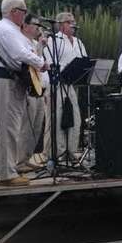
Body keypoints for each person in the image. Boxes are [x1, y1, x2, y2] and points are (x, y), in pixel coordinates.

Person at [0, 0, 48, 186]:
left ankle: (7, 169)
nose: (25, 15)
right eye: (24, 11)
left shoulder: (9, 30)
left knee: (8, 129)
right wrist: (41, 63)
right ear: (14, 12)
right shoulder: (6, 29)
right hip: (5, 82)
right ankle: (6, 174)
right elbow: (20, 54)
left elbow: (23, 52)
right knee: (7, 130)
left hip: (9, 82)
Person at [43, 12, 87, 159]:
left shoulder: (78, 41)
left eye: (73, 21)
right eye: (69, 22)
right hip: (58, 83)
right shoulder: (54, 40)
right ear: (60, 25)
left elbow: (84, 61)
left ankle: (71, 151)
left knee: (75, 118)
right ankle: (58, 152)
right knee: (58, 118)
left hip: (72, 84)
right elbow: (49, 62)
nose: (73, 24)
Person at [17, 14, 48, 173]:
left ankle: (26, 159)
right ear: (26, 25)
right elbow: (31, 62)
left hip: (39, 89)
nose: (39, 28)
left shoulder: (35, 43)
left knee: (36, 127)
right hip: (28, 89)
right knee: (26, 128)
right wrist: (40, 49)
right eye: (36, 25)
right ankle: (19, 161)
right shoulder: (20, 41)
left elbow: (40, 66)